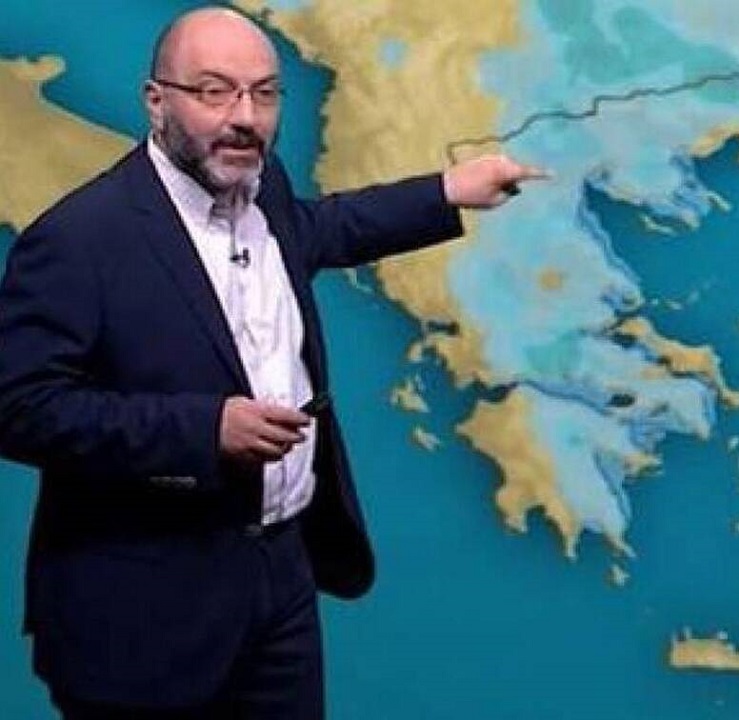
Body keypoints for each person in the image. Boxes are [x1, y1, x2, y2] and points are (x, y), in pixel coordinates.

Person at [0, 6, 542, 718]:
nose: (245, 117)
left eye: (264, 93)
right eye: (214, 92)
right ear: (157, 101)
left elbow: (321, 228)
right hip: (142, 613)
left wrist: (448, 192)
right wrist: (205, 431)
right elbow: (19, 407)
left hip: (279, 587)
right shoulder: (78, 241)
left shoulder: (264, 190)